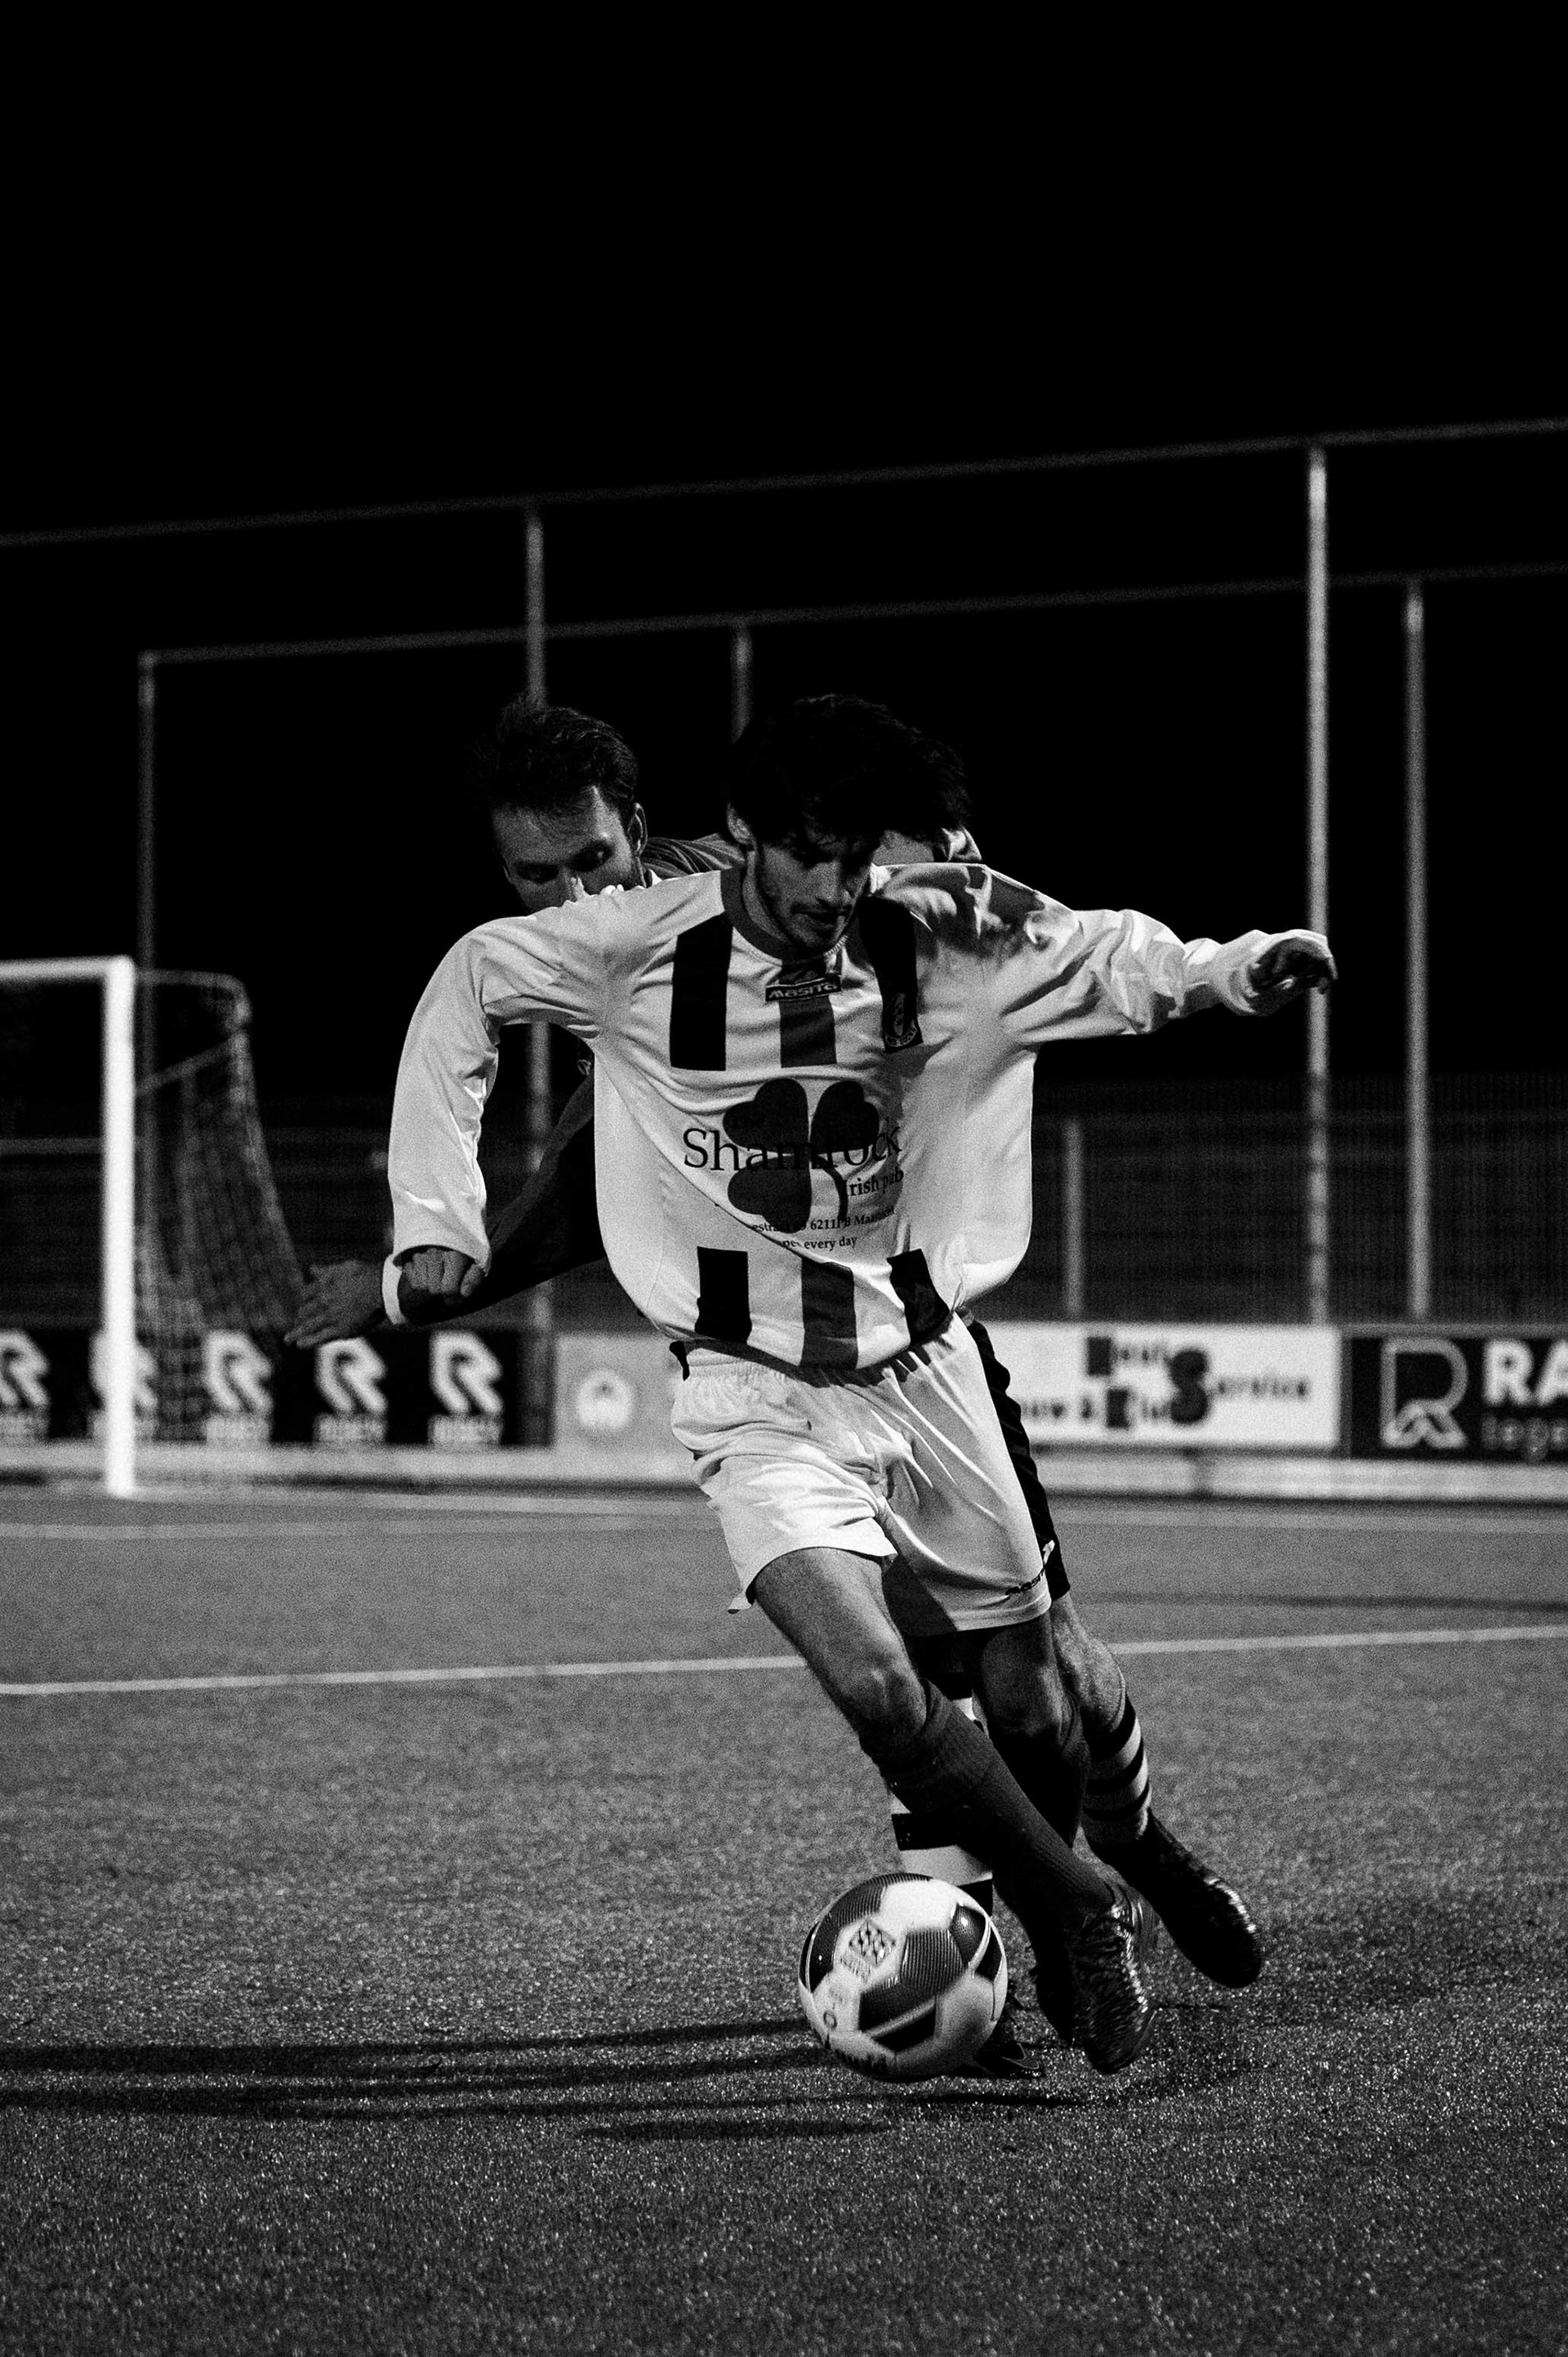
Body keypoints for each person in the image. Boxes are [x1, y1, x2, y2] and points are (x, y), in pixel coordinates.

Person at [379, 695, 1335, 2073]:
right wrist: (434, 1224)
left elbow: (1099, 951)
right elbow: (473, 992)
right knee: (889, 1688)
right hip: (748, 1387)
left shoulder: (930, 918)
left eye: (852, 858)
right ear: (748, 836)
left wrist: (1234, 969)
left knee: (1038, 1693)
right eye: (810, 857)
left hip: (927, 1359)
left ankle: (1123, 1867)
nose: (836, 888)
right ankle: (1071, 1911)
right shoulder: (630, 949)